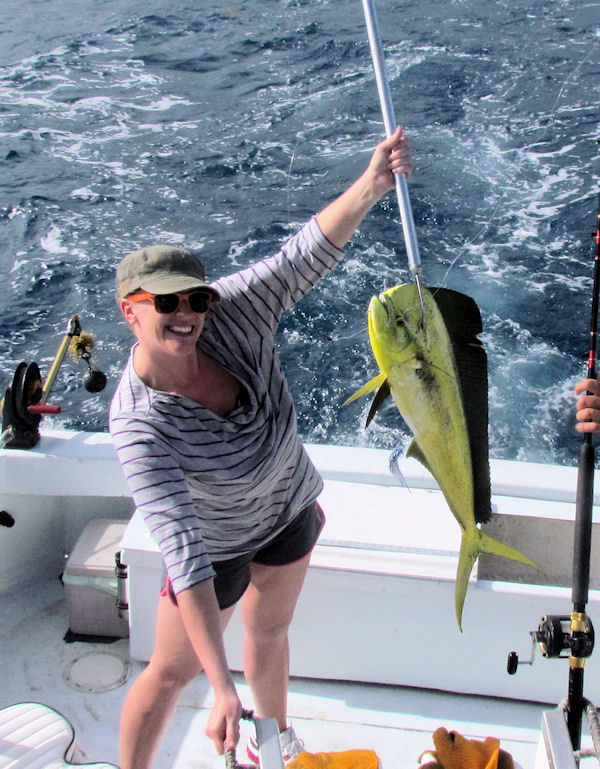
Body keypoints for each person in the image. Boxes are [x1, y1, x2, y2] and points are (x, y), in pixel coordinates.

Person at [109, 126, 412, 769]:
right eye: (166, 302)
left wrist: (372, 184)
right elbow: (183, 552)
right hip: (214, 550)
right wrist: (221, 690)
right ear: (128, 311)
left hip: (287, 512)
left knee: (270, 633)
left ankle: (273, 745)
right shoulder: (139, 423)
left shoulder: (233, 313)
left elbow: (302, 255)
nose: (187, 312)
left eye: (195, 297)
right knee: (171, 674)